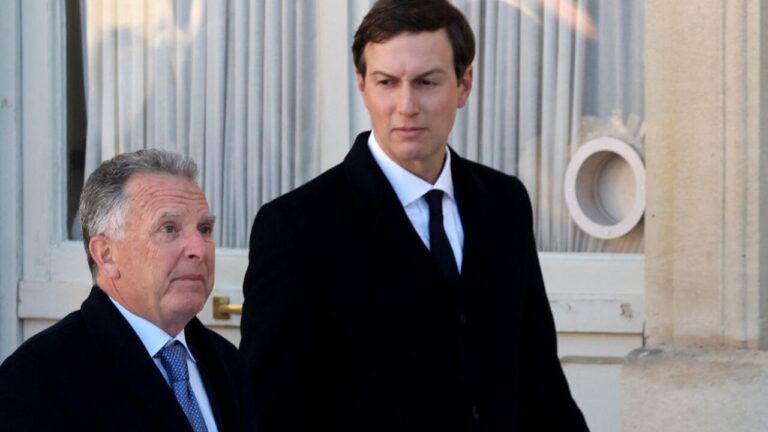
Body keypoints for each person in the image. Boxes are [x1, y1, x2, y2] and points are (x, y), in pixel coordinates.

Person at [240, 0, 589, 430]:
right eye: (387, 82)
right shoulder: (296, 227)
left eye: (426, 82)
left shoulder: (505, 203)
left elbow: (541, 382)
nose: (406, 105)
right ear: (362, 85)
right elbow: (270, 410)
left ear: (464, 85)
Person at [0, 149, 241, 431]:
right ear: (106, 255)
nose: (199, 249)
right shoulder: (37, 378)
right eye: (169, 229)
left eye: (204, 229)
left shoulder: (227, 362)